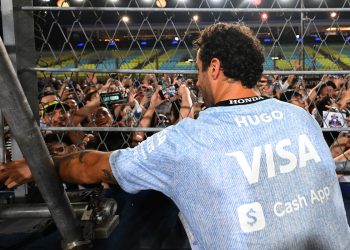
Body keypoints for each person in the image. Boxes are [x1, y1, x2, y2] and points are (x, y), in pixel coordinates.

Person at [1, 23, 350, 249]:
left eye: (197, 69)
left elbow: (92, 167)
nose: (196, 81)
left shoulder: (189, 139)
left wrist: (38, 166)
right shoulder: (299, 118)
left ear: (213, 67)